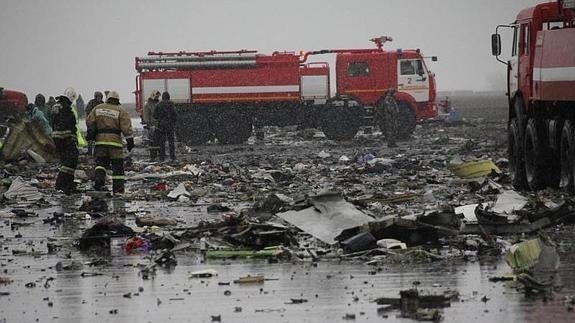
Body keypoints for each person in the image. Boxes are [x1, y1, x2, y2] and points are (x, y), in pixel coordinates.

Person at [86, 90, 134, 194]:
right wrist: (130, 140)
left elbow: (89, 120)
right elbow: (126, 127)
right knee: (117, 167)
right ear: (117, 100)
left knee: (101, 163)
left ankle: (98, 183)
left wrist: (93, 131)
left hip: (100, 142)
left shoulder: (98, 108)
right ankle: (118, 189)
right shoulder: (121, 110)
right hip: (115, 143)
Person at [51, 93, 79, 195]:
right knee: (71, 160)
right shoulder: (66, 108)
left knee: (65, 161)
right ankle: (61, 184)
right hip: (65, 138)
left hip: (57, 138)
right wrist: (72, 138)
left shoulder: (56, 107)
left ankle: (68, 185)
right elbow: (68, 125)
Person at [153, 91, 176, 161]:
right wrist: (173, 122)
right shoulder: (171, 104)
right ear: (168, 97)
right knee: (171, 142)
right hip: (170, 125)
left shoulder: (158, 104)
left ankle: (162, 157)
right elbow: (175, 114)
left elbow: (154, 115)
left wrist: (160, 119)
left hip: (161, 126)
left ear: (162, 97)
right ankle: (172, 157)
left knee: (162, 142)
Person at [143, 90, 161, 161]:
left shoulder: (158, 104)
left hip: (158, 126)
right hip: (152, 127)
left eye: (158, 96)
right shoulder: (148, 105)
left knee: (159, 142)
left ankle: (160, 156)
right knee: (153, 142)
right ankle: (153, 157)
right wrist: (149, 124)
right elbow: (146, 117)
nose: (157, 97)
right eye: (156, 96)